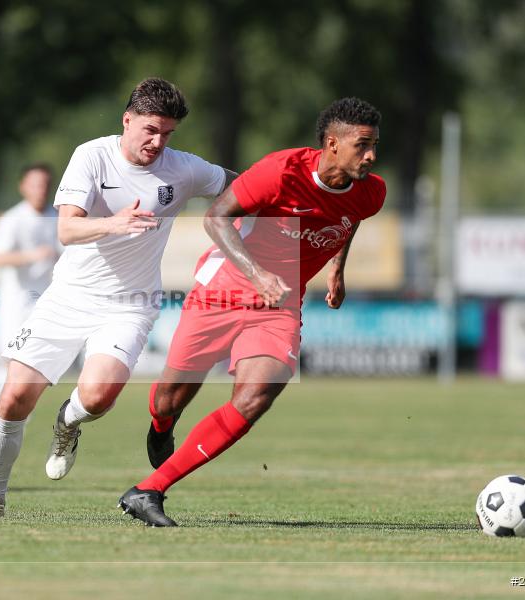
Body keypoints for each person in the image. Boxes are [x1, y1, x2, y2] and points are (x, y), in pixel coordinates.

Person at [0, 77, 237, 518]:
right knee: (13, 399)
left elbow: (243, 186)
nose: (158, 142)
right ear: (127, 120)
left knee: (100, 395)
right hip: (68, 296)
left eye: (167, 133)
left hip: (131, 302)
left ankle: (68, 422)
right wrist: (114, 223)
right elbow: (66, 229)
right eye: (150, 130)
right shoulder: (92, 156)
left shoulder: (183, 168)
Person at [117, 97, 386, 526]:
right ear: (332, 143)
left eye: (375, 145)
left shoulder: (372, 192)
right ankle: (162, 424)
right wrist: (258, 274)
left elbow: (350, 219)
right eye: (363, 145)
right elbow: (216, 218)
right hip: (223, 287)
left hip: (279, 303)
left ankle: (149, 490)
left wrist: (337, 268)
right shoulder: (280, 171)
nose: (371, 155)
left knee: (258, 393)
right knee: (170, 397)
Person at [0, 164, 61, 407]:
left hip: (45, 301)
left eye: (45, 184)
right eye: (35, 184)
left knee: (36, 361)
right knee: (9, 359)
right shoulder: (14, 218)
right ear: (23, 186)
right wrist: (33, 255)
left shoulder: (58, 217)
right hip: (15, 301)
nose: (41, 190)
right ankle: (0, 410)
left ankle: (22, 410)